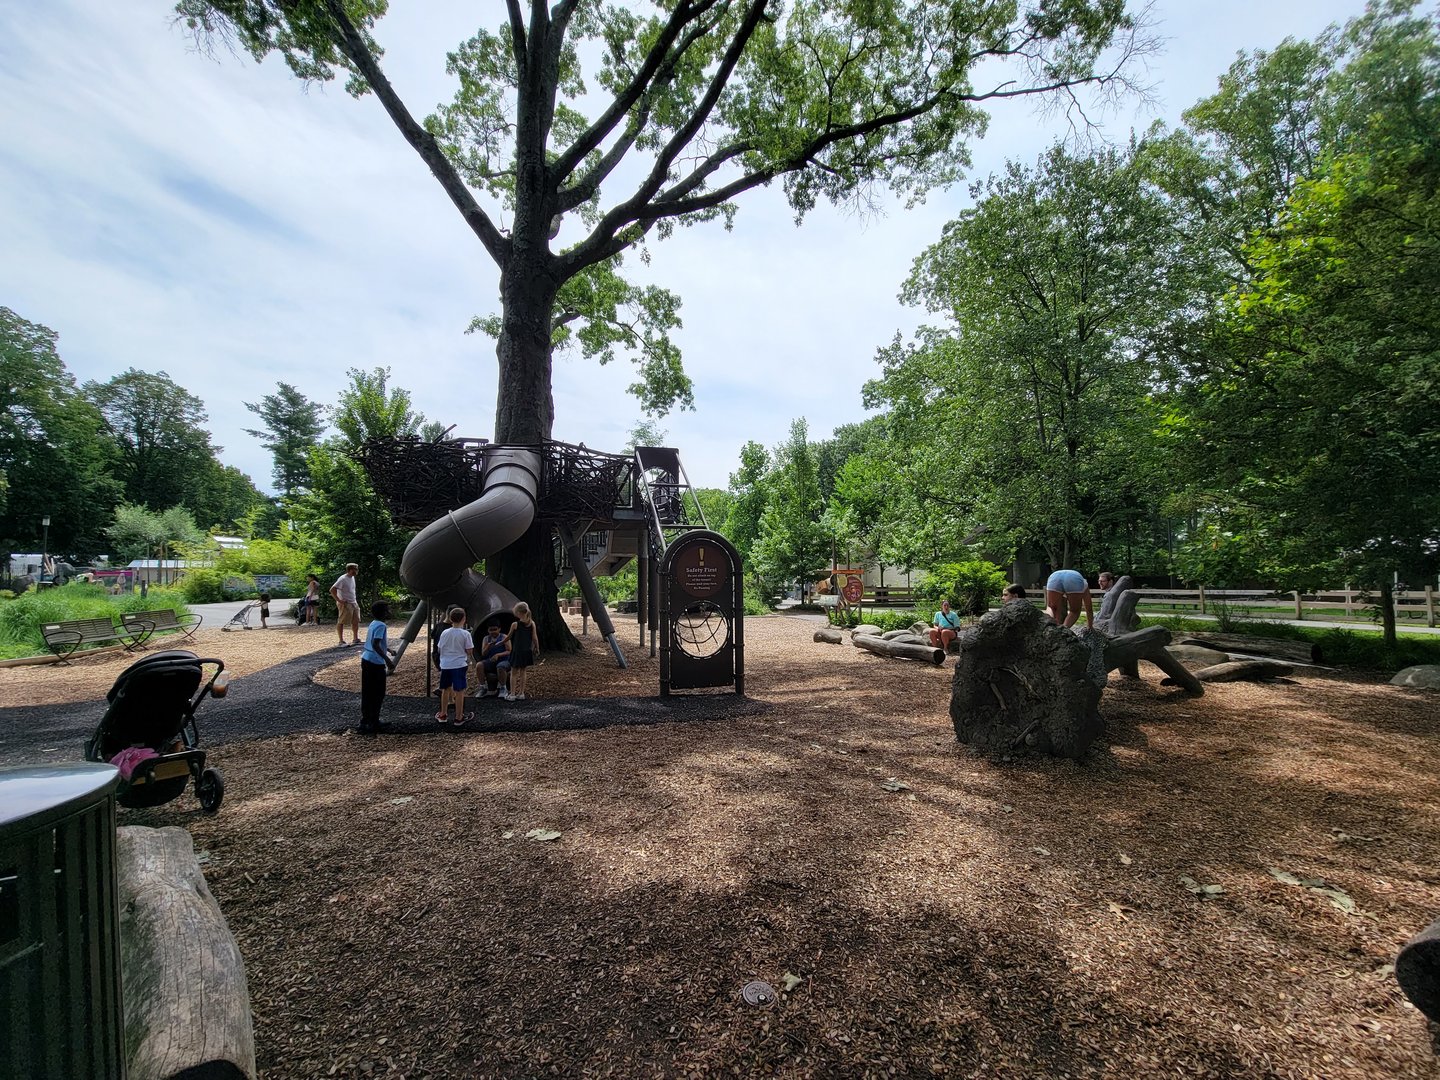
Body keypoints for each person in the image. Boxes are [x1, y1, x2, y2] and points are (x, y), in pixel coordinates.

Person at [358, 600, 395, 735]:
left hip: (366, 658)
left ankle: (366, 720)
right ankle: (373, 722)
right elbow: (375, 644)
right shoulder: (381, 625)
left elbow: (375, 642)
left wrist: (389, 650)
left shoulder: (374, 623)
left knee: (368, 692)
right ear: (383, 612)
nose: (390, 611)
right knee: (378, 693)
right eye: (388, 609)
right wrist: (387, 660)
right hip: (375, 661)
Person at [435, 606, 475, 726]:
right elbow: (469, 650)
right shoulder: (465, 634)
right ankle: (459, 717)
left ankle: (443, 714)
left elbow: (439, 648)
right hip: (459, 664)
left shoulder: (444, 633)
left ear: (451, 619)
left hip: (446, 664)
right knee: (459, 690)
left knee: (445, 689)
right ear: (464, 619)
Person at [503, 601, 538, 701]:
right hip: (527, 651)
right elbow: (534, 638)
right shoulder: (532, 623)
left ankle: (513, 694)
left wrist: (500, 643)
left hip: (517, 651)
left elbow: (508, 637)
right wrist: (537, 647)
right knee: (523, 672)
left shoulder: (515, 624)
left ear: (519, 613)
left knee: (514, 672)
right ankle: (521, 693)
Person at [477, 622, 512, 698]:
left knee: (500, 666)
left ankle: (503, 688)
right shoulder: (486, 639)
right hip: (491, 660)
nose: (493, 632)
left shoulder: (504, 637)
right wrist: (488, 647)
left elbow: (509, 650)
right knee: (479, 665)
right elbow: (483, 653)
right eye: (491, 630)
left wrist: (498, 655)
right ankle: (482, 687)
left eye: (495, 629)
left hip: (504, 660)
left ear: (499, 629)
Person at [330, 563, 361, 647]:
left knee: (356, 620)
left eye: (356, 569)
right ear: (349, 570)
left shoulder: (352, 578)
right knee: (342, 621)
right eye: (354, 569)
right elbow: (332, 590)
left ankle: (355, 639)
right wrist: (339, 600)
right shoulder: (343, 579)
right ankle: (341, 641)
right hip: (345, 603)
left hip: (353, 602)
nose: (356, 571)